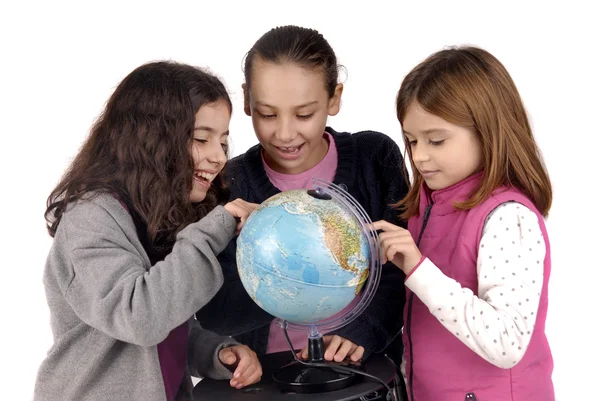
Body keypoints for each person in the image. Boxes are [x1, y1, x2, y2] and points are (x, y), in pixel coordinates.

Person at [34, 61, 262, 401]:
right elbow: (141, 318)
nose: (218, 157)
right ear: (152, 140)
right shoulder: (90, 218)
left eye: (223, 142)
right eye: (202, 139)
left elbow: (167, 330)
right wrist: (213, 229)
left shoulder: (157, 217)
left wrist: (215, 353)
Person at [196, 25, 409, 366]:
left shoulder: (375, 158)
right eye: (267, 114)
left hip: (363, 374)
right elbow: (212, 311)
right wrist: (277, 277)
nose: (284, 133)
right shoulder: (228, 181)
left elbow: (402, 272)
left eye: (304, 114)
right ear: (248, 100)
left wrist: (365, 331)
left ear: (334, 98)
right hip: (267, 379)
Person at [374, 46, 555, 401]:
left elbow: (507, 341)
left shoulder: (507, 217)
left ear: (487, 131)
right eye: (411, 141)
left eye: (436, 140)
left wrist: (418, 269)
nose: (419, 155)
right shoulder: (427, 204)